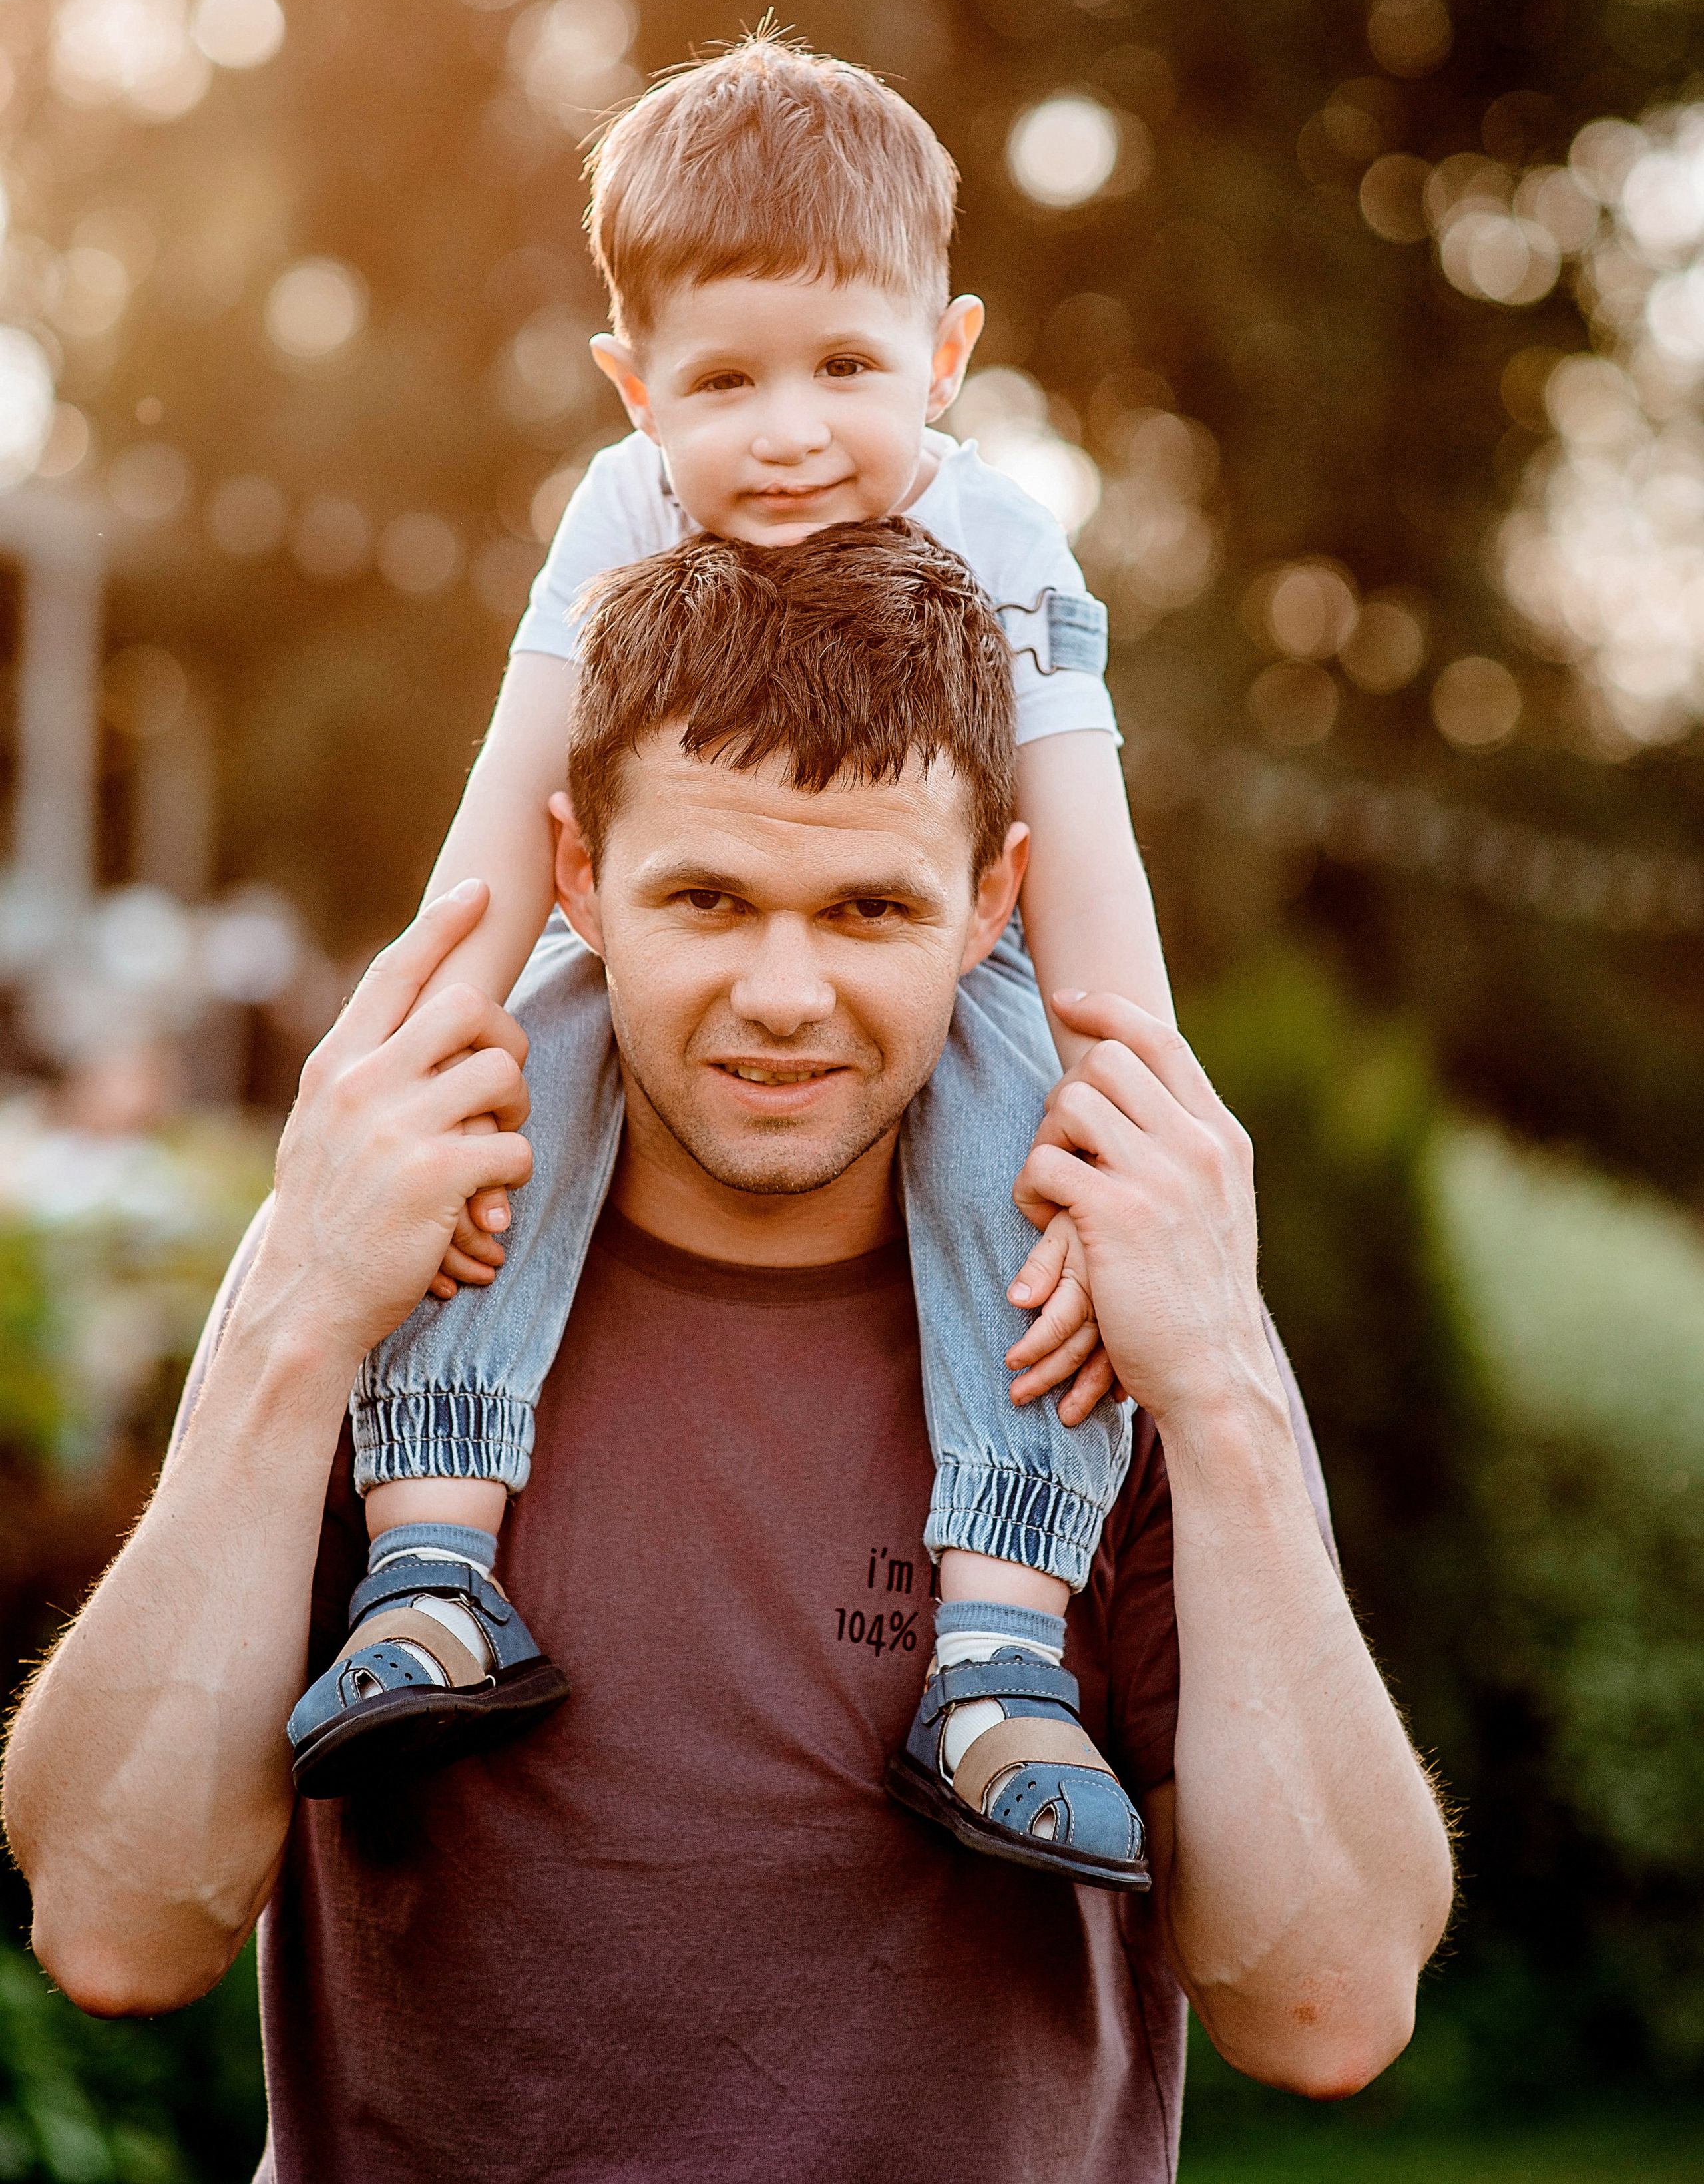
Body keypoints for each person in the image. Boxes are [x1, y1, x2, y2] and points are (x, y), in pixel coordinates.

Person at [3, 521, 1453, 2183]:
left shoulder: (1115, 1311)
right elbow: (120, 1927)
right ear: (577, 879)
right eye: (706, 897)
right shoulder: (379, 1265)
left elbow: (1325, 2009)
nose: (783, 992)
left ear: (990, 901)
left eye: (866, 907)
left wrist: (1224, 1394)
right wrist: (293, 1316)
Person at [282, 29, 1183, 1883]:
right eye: (723, 379)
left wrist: (1138, 1140)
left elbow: (1085, 862)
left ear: (944, 355)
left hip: (940, 959)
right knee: (527, 1044)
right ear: (635, 390)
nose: (786, 433)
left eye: (846, 367)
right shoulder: (621, 510)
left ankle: (1000, 1648)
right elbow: (512, 812)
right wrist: (416, 1067)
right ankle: (432, 1564)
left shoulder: (1003, 538)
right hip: (662, 931)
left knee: (1021, 1142)